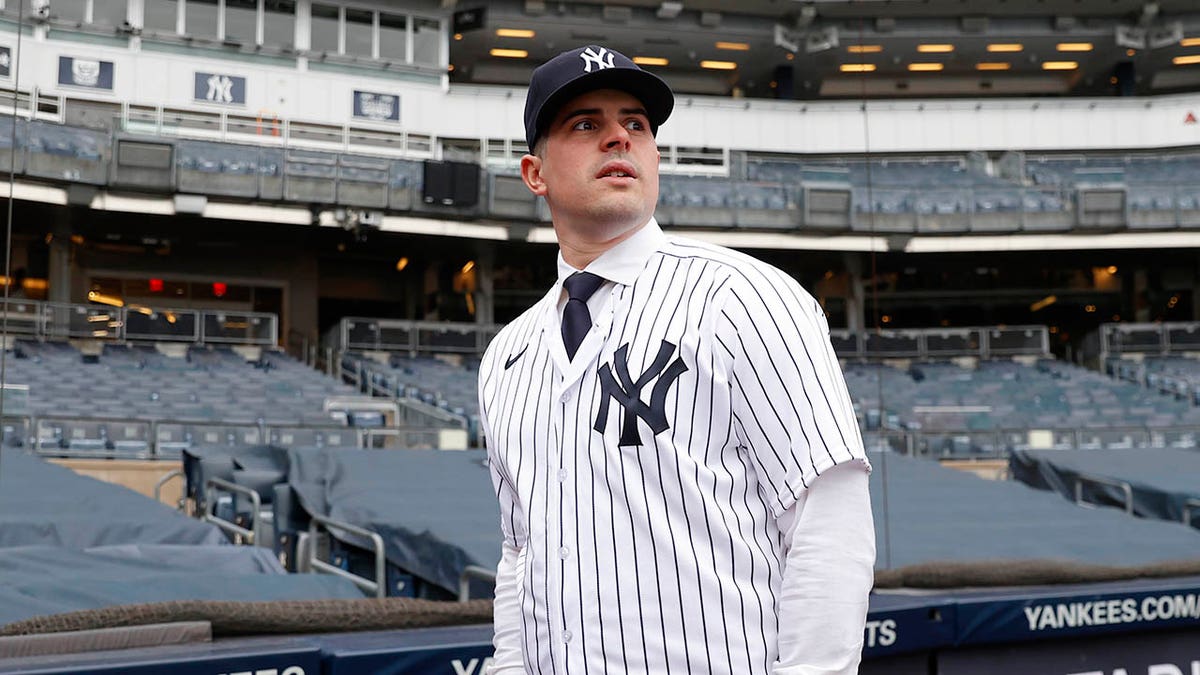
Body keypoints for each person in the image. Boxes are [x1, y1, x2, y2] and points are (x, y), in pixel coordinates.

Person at [477, 45, 875, 675]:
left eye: (636, 124)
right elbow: (519, 554)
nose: (618, 138)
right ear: (535, 172)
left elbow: (828, 521)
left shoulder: (743, 295)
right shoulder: (508, 355)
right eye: (585, 124)